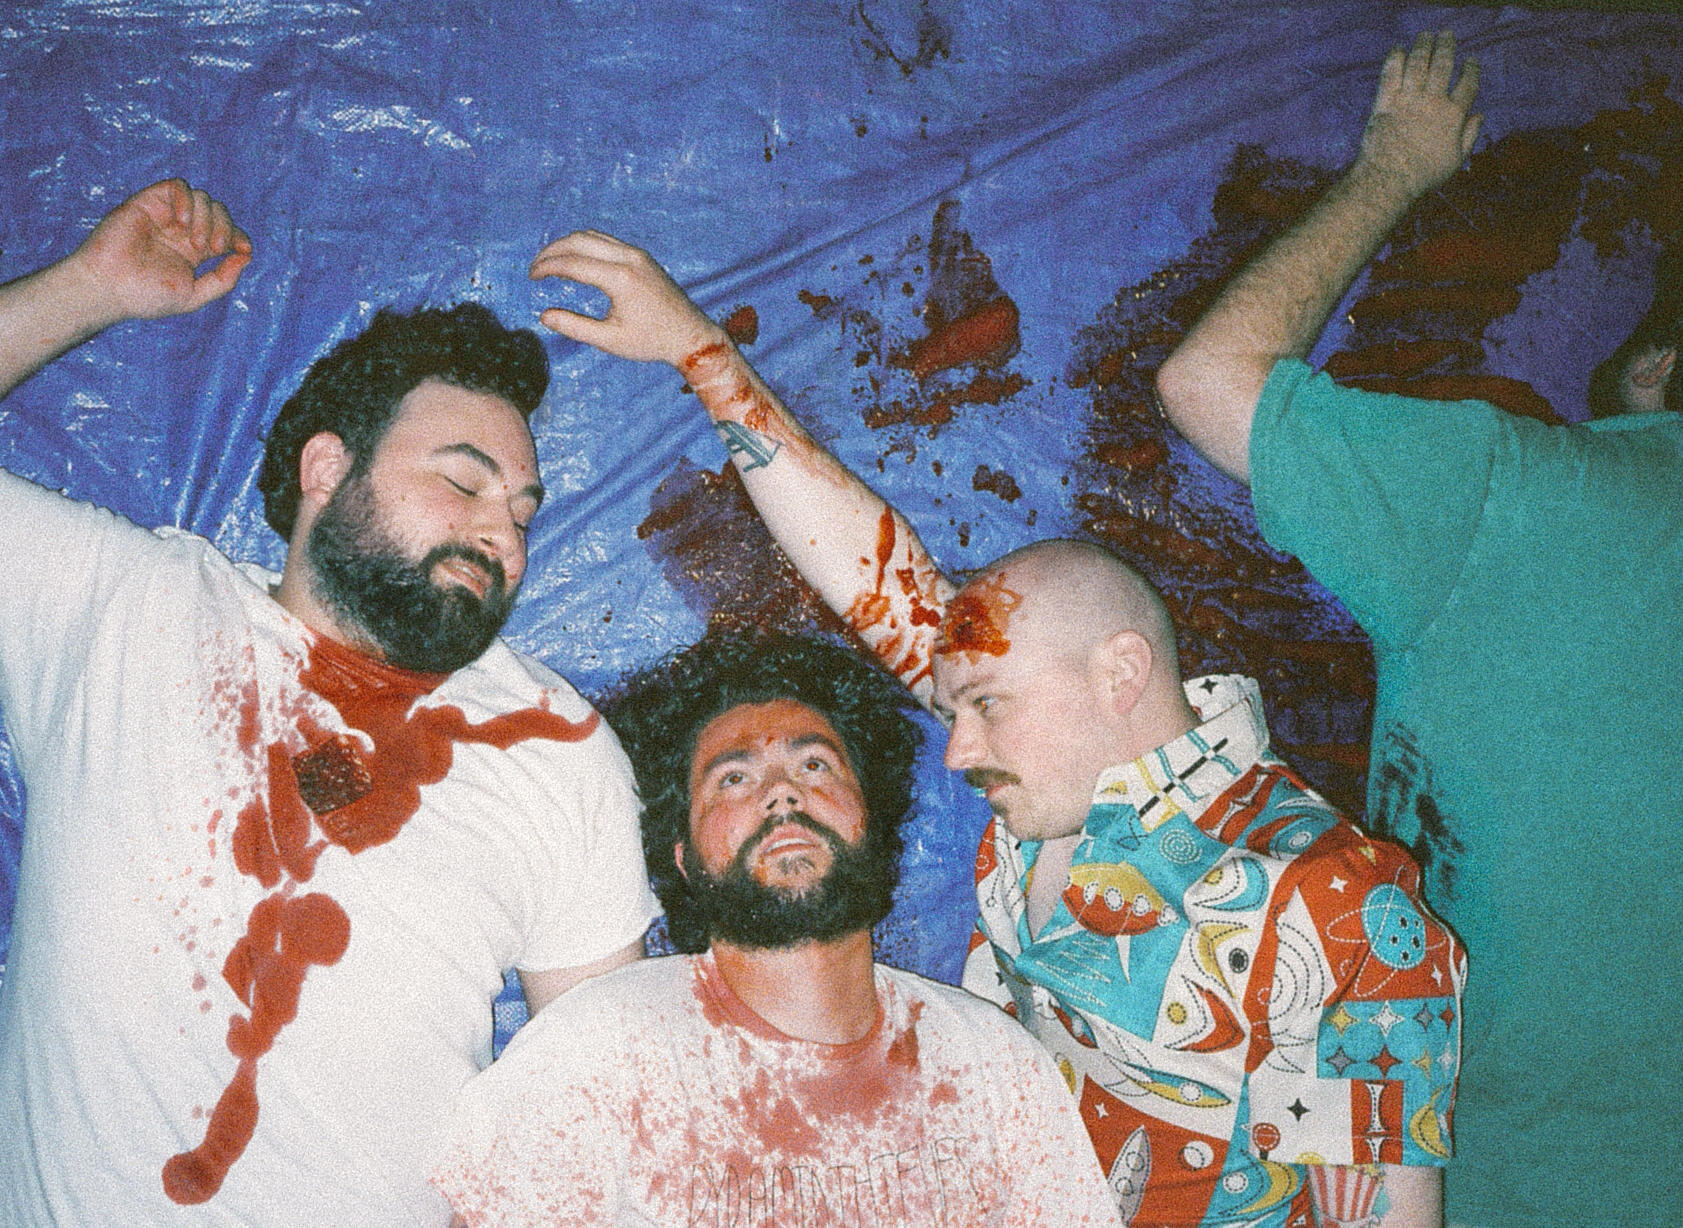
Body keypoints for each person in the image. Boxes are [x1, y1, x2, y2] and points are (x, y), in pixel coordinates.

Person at [522, 236, 1465, 1227]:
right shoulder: (1055, 790)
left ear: (1120, 675)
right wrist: (703, 356)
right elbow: (872, 575)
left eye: (984, 706)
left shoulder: (1329, 905)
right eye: (954, 708)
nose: (957, 751)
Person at [0, 179, 658, 1226]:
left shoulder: (559, 748)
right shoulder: (126, 604)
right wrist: (85, 291)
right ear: (328, 467)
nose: (502, 534)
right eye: (464, 484)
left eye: (522, 509)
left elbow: (597, 1120)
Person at [1153, 31, 1683, 1228]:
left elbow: (1206, 380)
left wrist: (1395, 165)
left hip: (1443, 1177)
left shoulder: (1527, 496)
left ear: (1657, 364)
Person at [431, 631, 1124, 1228]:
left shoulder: (993, 1067)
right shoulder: (597, 1055)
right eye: (733, 779)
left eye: (814, 765)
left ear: (871, 820)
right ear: (684, 856)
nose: (783, 793)